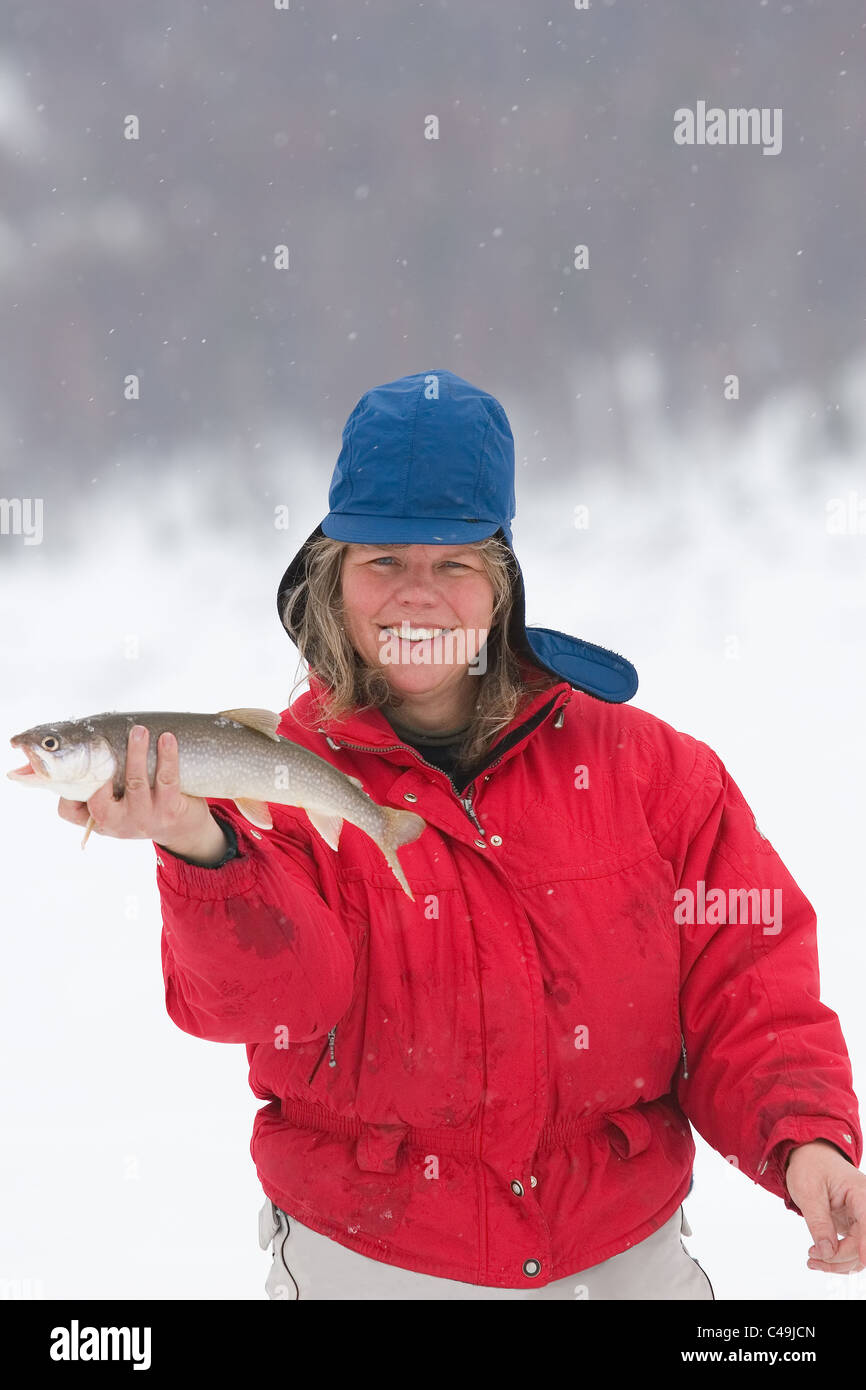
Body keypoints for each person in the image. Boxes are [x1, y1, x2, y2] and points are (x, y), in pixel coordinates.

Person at [60, 369, 865, 1300]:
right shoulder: (267, 775)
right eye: (382, 563)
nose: (418, 599)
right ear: (332, 578)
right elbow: (272, 997)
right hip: (372, 1266)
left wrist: (804, 1139)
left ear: (503, 580)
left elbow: (748, 979)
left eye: (453, 563)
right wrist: (204, 851)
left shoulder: (651, 772)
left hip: (621, 1262)